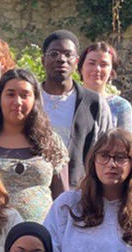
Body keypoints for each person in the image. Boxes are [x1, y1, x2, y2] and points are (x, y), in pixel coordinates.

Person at [0, 69, 69, 222]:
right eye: (10, 94)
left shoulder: (50, 142)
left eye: (25, 95)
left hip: (42, 238)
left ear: (35, 100)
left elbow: (63, 197)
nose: (17, 101)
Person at [39, 29, 111, 187]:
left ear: (77, 61)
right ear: (43, 60)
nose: (61, 59)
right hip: (36, 191)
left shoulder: (94, 103)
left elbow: (106, 149)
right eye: (54, 54)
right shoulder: (30, 99)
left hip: (79, 192)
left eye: (67, 54)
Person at [78, 41, 132, 132]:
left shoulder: (121, 106)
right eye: (91, 63)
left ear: (111, 71)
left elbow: (125, 143)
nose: (97, 69)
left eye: (103, 65)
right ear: (81, 68)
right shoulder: (69, 101)